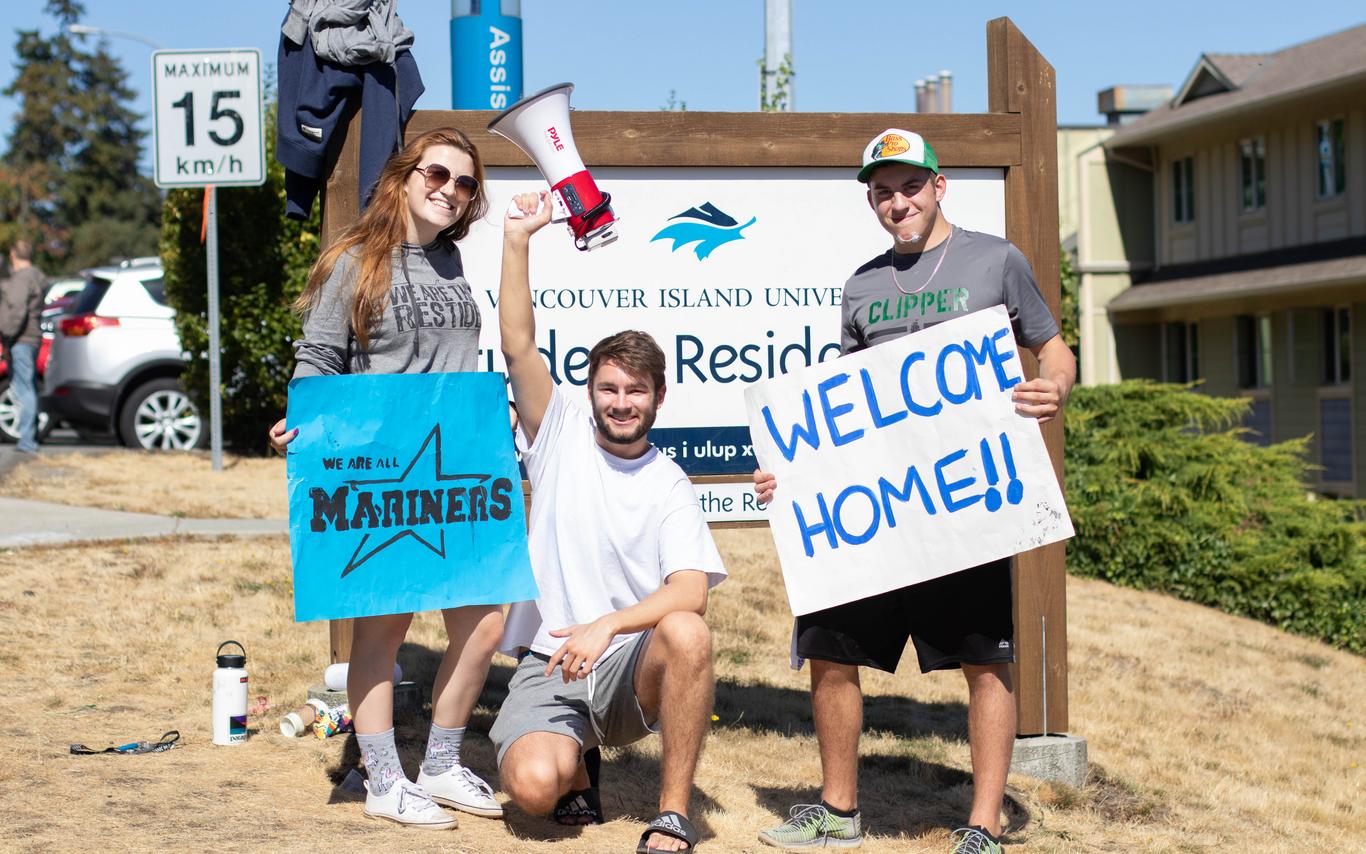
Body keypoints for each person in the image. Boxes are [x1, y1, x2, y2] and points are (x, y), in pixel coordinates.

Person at [753, 129, 1077, 854]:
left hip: (966, 506)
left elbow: (1055, 350)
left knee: (985, 661)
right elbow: (843, 411)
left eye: (909, 187)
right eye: (882, 193)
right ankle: (838, 812)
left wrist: (1053, 387)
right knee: (830, 647)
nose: (897, 203)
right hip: (879, 513)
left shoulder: (996, 260)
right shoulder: (861, 287)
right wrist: (791, 472)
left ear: (938, 186)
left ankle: (983, 825)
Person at [267, 127, 505, 830]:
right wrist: (301, 423)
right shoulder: (355, 259)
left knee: (486, 622)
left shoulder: (453, 261)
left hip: (457, 470)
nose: (451, 191)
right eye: (438, 174)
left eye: (465, 183)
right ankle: (382, 778)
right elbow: (319, 356)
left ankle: (440, 764)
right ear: (403, 177)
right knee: (384, 629)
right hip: (386, 474)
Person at [490, 191, 727, 853]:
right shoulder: (558, 431)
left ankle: (672, 815)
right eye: (609, 389)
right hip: (550, 661)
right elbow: (517, 343)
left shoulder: (669, 481)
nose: (622, 403)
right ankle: (575, 771)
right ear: (589, 390)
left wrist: (609, 625)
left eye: (636, 390)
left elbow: (691, 591)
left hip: (625, 665)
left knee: (687, 631)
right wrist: (518, 238)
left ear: (659, 396)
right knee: (533, 789)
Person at [0, 239, 46, 454]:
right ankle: (31, 436)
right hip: (32, 337)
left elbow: (17, 309)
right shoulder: (37, 276)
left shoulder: (22, 279)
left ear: (13, 255)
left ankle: (27, 440)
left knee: (24, 389)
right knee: (29, 387)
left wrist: (6, 332)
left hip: (21, 338)